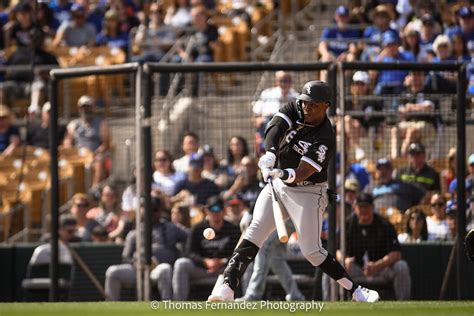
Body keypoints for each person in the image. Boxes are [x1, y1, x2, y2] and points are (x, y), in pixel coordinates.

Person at [209, 80, 380, 302]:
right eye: (305, 102)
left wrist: (281, 173)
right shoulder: (295, 107)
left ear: (326, 106)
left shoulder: (326, 136)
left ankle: (356, 290)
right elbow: (274, 128)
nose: (307, 107)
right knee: (254, 231)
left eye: (313, 105)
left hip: (308, 191)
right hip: (278, 187)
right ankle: (228, 286)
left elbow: (303, 172)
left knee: (312, 251)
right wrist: (270, 154)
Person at [105, 197, 188, 301]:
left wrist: (180, 255)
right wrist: (135, 264)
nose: (152, 213)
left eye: (155, 210)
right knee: (112, 272)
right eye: (148, 209)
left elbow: (190, 236)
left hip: (157, 269)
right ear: (142, 210)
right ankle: (111, 307)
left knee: (165, 268)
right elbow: (126, 257)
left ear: (160, 211)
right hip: (137, 270)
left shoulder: (171, 228)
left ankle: (168, 306)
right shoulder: (135, 231)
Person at [172, 196, 240, 300]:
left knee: (247, 264)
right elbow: (189, 252)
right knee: (181, 263)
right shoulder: (197, 229)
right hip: (202, 269)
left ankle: (245, 300)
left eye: (218, 208)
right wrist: (205, 261)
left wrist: (223, 261)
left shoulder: (233, 229)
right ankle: (178, 304)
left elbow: (239, 252)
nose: (215, 212)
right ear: (206, 210)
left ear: (224, 210)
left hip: (225, 270)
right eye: (212, 209)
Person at [345, 193, 411, 300]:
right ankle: (331, 304)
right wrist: (344, 259)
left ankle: (403, 304)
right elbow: (337, 248)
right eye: (361, 207)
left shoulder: (383, 224)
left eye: (366, 207)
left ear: (372, 207)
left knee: (401, 266)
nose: (364, 210)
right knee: (332, 269)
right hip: (356, 268)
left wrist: (377, 266)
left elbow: (396, 253)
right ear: (355, 208)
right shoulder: (348, 224)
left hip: (381, 269)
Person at [63, 95, 111, 186]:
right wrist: (71, 152)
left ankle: (94, 189)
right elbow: (67, 141)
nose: (85, 110)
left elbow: (106, 144)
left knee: (99, 162)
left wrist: (96, 153)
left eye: (88, 107)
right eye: (83, 107)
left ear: (92, 108)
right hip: (77, 156)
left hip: (94, 155)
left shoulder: (101, 123)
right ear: (79, 109)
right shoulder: (73, 124)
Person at [252, 71, 298, 154]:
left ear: (291, 82)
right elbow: (255, 116)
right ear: (276, 81)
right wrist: (257, 119)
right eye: (281, 81)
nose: (284, 84)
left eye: (287, 80)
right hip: (267, 123)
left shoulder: (296, 97)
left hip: (288, 125)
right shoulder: (267, 93)